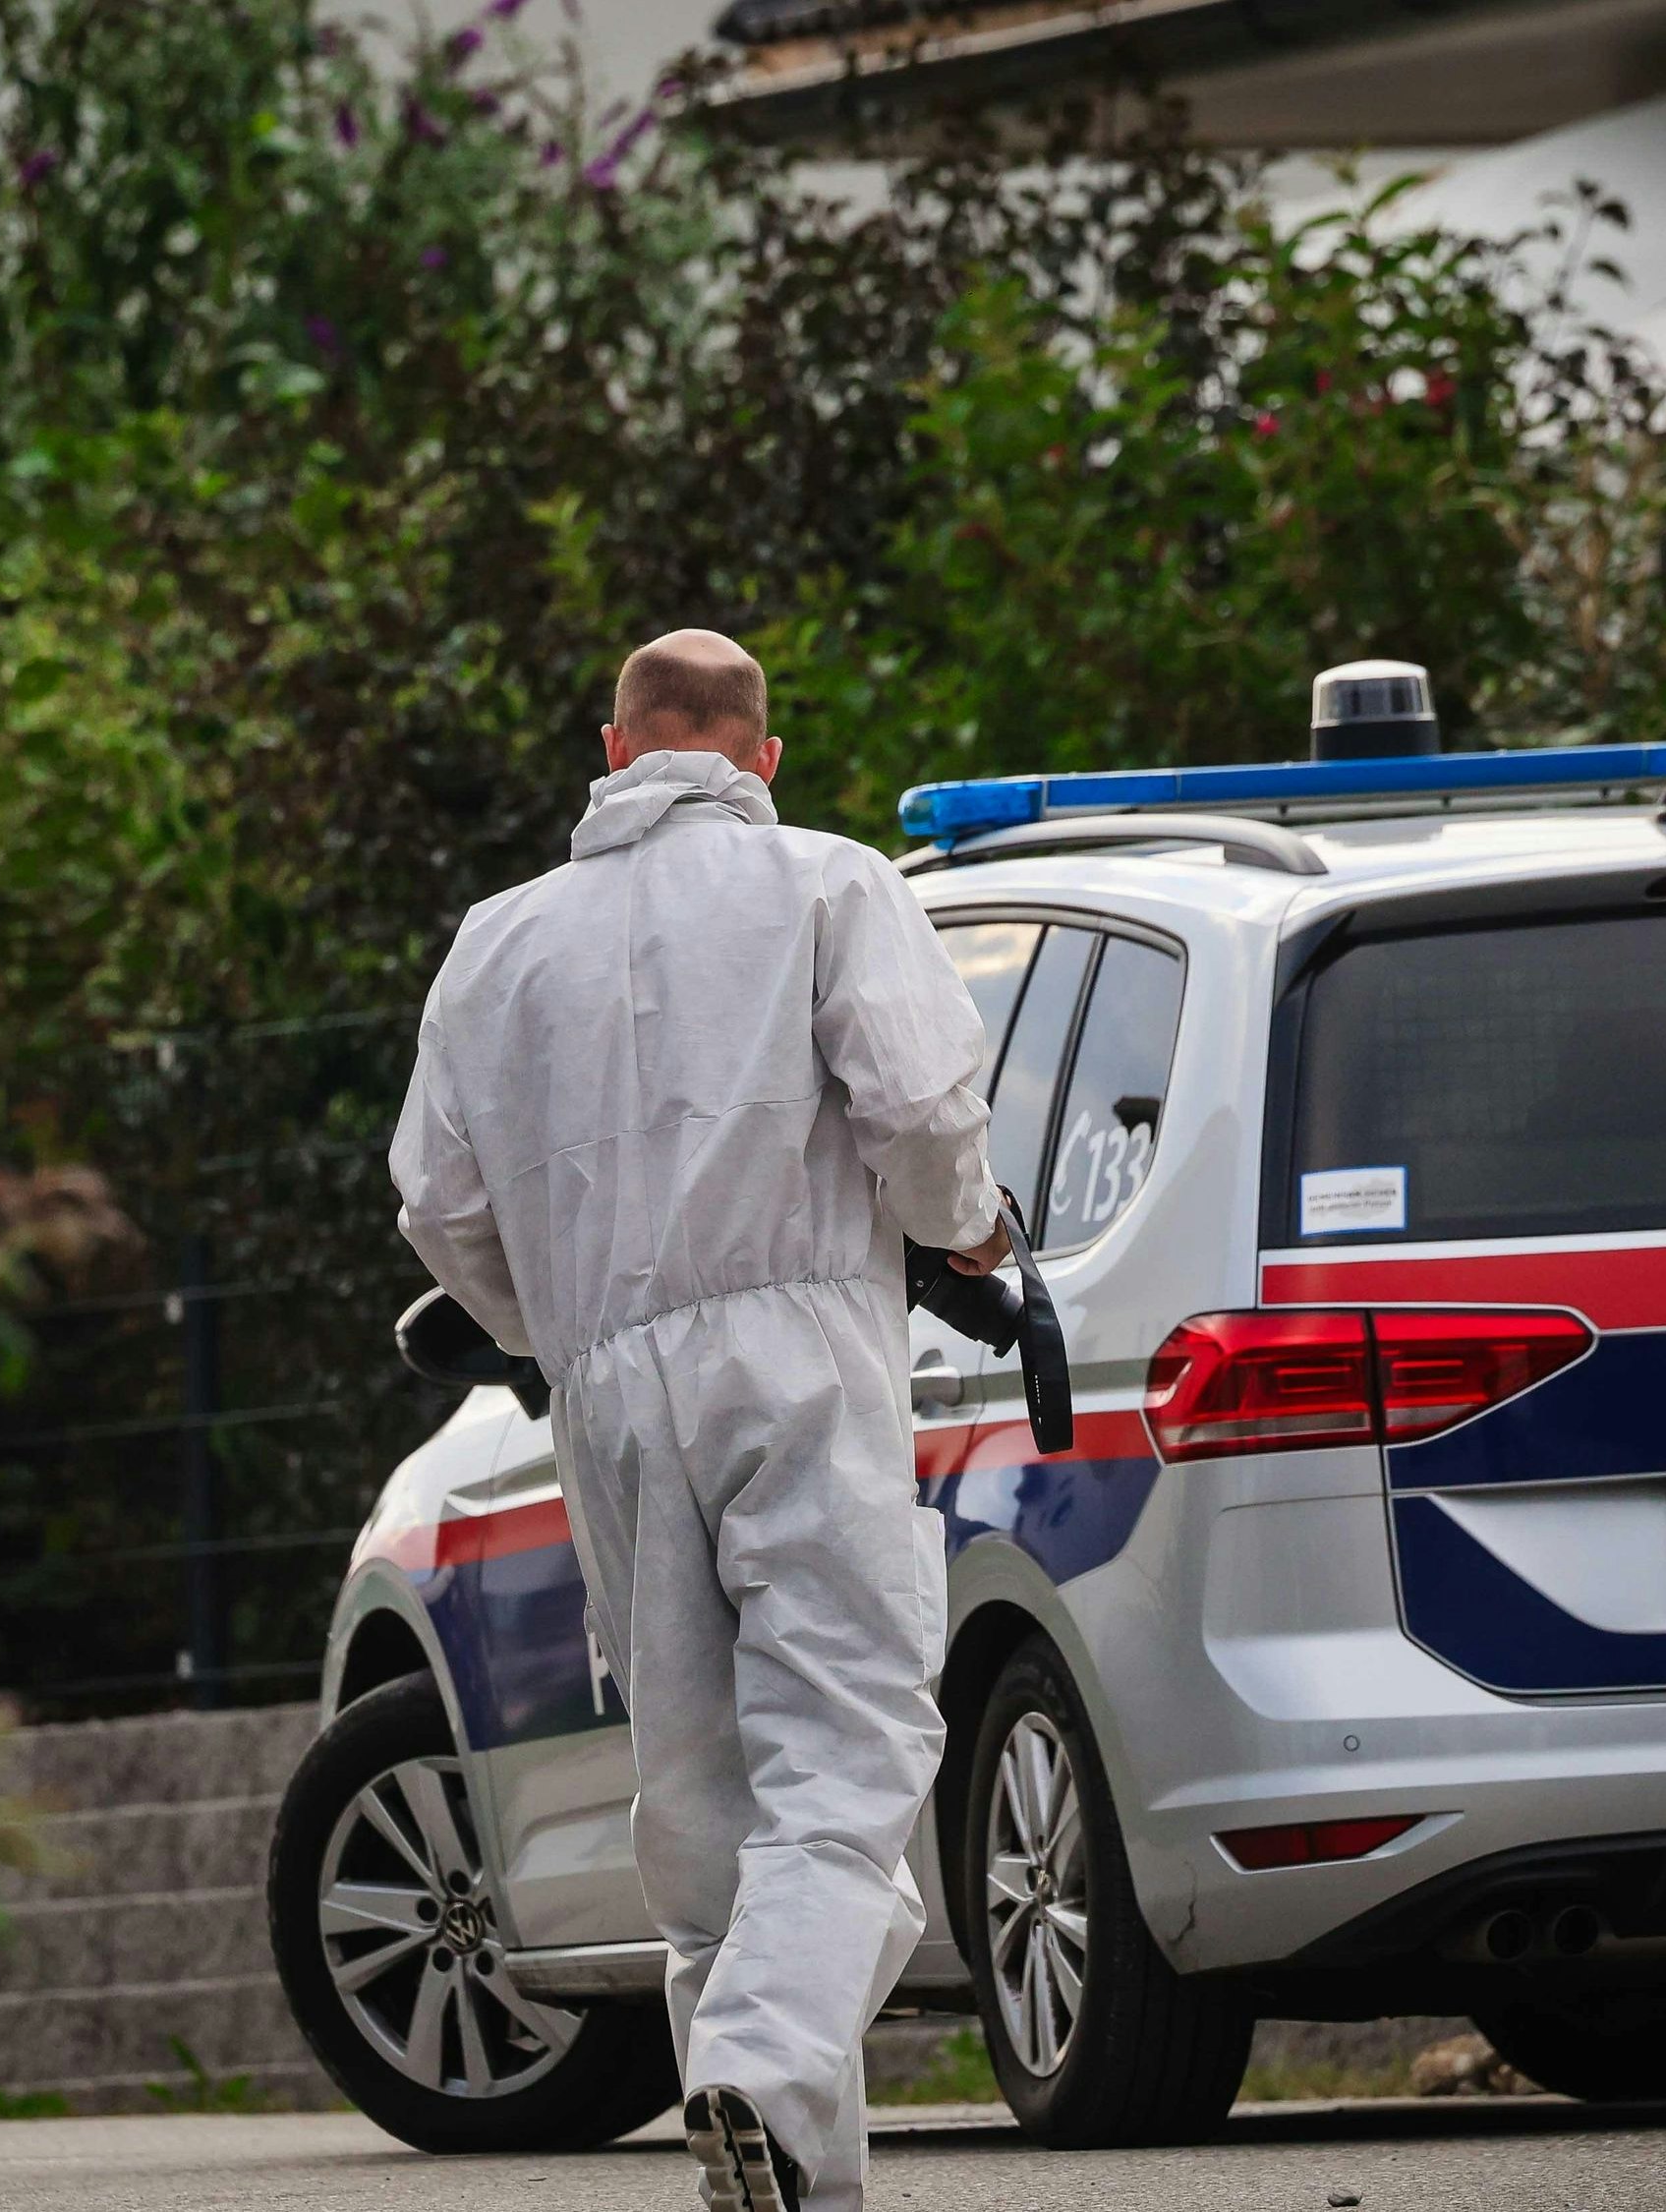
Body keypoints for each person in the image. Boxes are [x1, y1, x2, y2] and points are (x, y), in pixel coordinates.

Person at [389, 629, 1008, 2212]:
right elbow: (926, 1108)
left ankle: (784, 2167)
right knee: (855, 1744)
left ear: (615, 753)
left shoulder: (493, 945)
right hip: (799, 1346)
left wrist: (555, 1332)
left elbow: (438, 1206)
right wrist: (967, 1232)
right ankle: (758, 2059)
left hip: (602, 1389)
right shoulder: (828, 884)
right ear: (763, 758)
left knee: (702, 1792)